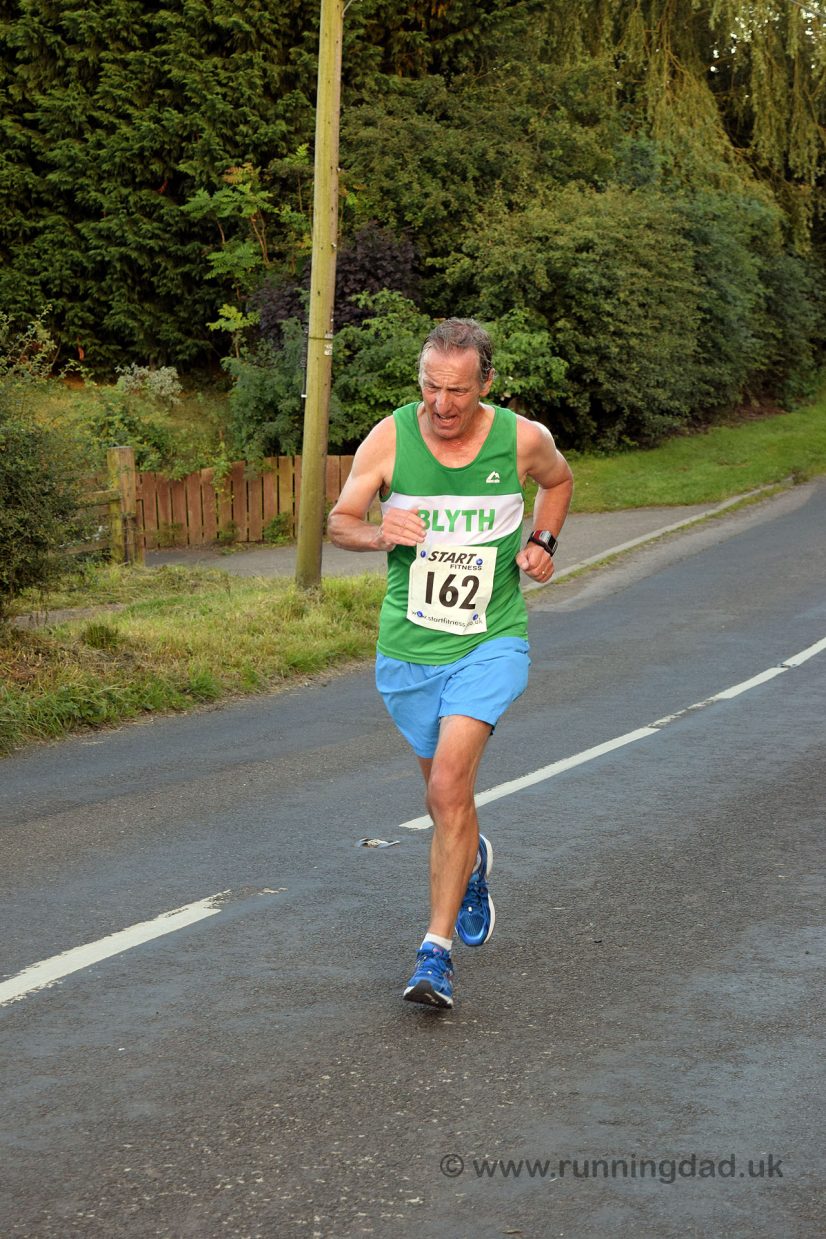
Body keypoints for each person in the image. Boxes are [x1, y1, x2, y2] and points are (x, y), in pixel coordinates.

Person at [327, 318, 573, 1009]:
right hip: (408, 650)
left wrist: (543, 540)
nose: (441, 404)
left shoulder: (522, 439)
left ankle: (433, 955)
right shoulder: (389, 437)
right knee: (444, 796)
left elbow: (560, 483)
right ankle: (469, 865)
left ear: (485, 384)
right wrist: (379, 531)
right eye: (431, 387)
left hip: (490, 638)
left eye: (457, 391)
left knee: (447, 789)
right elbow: (338, 520)